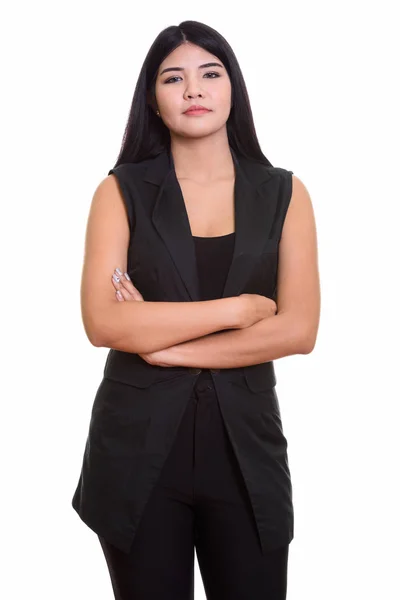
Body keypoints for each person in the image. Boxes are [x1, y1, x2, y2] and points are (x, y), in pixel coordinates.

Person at [71, 19, 320, 600]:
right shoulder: (120, 191)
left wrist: (164, 344)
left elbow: (300, 329)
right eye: (172, 78)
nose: (193, 90)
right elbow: (103, 322)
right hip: (135, 454)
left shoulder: (285, 193)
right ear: (153, 102)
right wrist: (239, 309)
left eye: (211, 73)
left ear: (233, 89)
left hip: (246, 453)